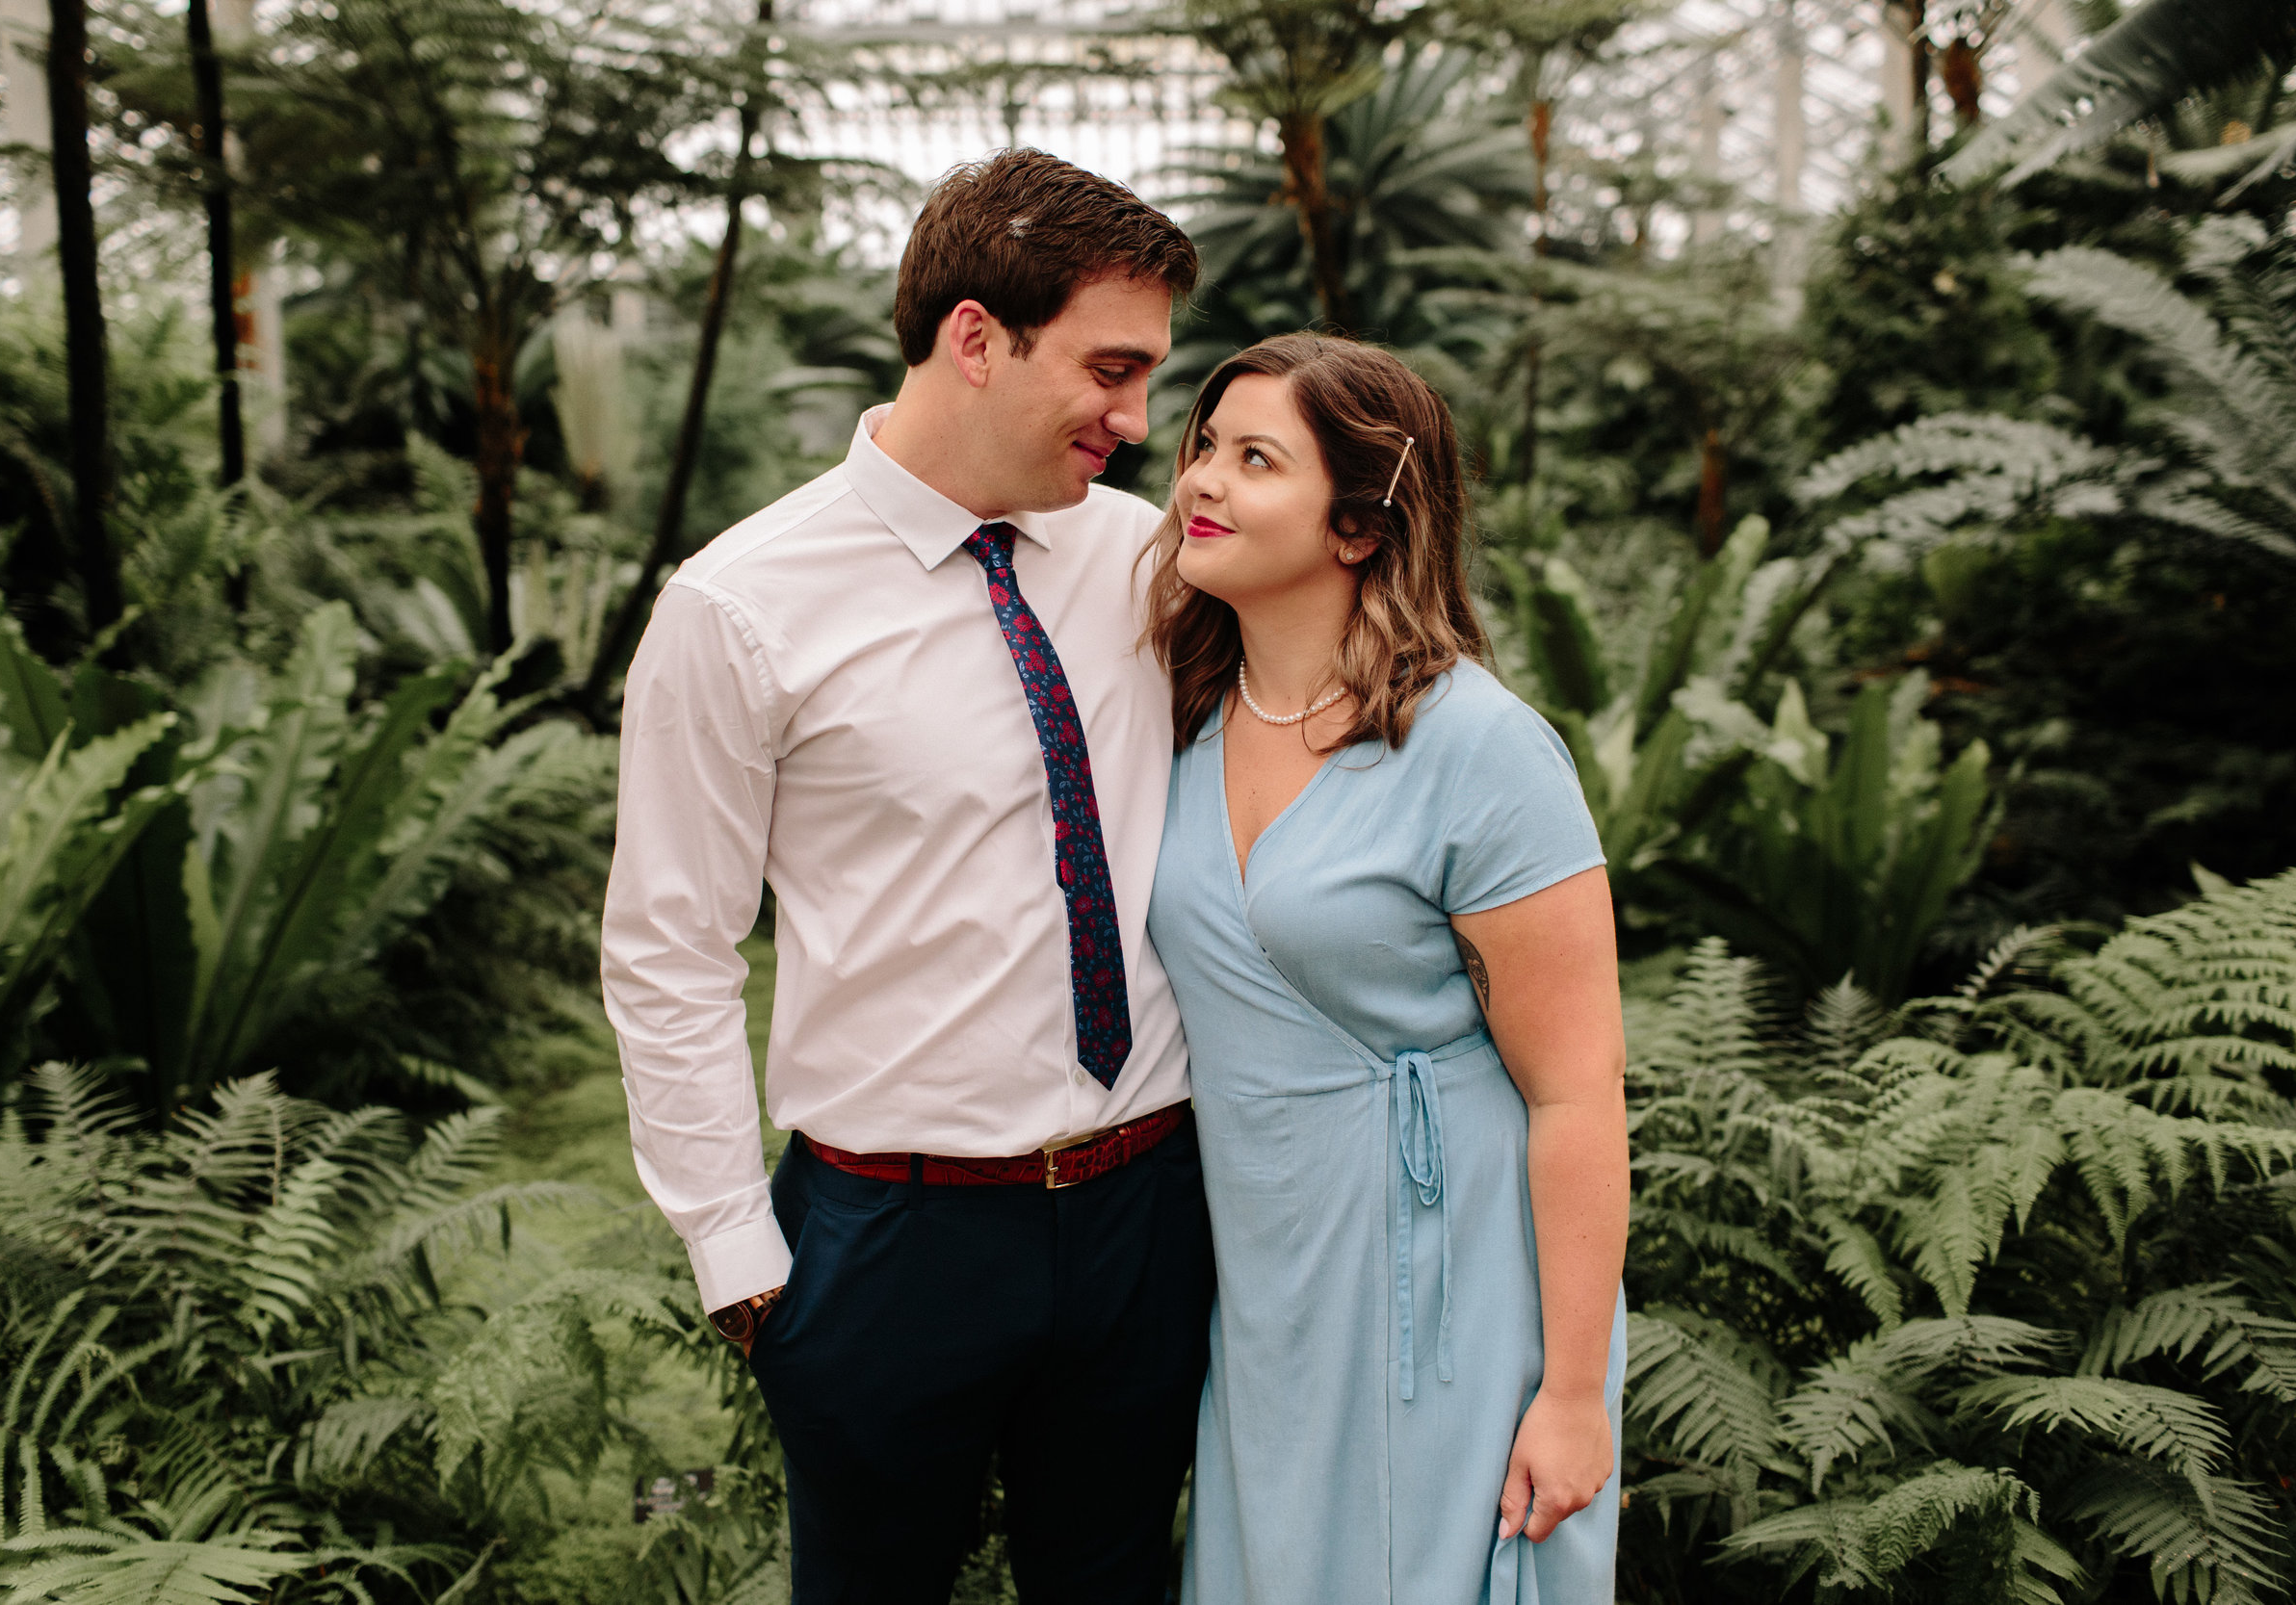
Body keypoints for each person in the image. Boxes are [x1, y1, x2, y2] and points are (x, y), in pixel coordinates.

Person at [600, 150, 1213, 1604]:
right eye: (1111, 371)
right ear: (976, 337)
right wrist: (736, 1254)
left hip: (1147, 1211)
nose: (1139, 423)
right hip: (892, 1238)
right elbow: (670, 948)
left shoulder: (1154, 561)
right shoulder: (740, 606)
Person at [1141, 333, 1631, 1604]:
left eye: (1256, 459)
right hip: (1264, 1277)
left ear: (1359, 526)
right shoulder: (1178, 725)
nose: (1201, 480)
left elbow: (1579, 1095)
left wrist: (1573, 1396)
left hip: (1447, 1275)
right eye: (1204, 446)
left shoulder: (1481, 748)